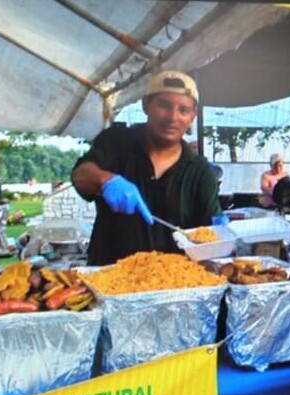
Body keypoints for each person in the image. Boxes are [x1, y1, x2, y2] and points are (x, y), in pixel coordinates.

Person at [71, 70, 222, 265]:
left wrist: (220, 230)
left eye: (183, 110)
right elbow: (80, 175)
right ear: (146, 105)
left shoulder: (200, 171)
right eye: (164, 105)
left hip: (172, 285)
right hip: (108, 279)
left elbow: (209, 231)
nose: (172, 117)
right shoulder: (116, 141)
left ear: (192, 117)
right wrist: (105, 180)